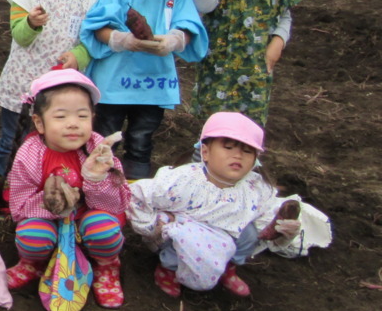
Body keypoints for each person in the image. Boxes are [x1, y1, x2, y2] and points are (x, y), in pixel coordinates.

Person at [80, 0, 208, 180]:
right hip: (114, 83)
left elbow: (188, 26)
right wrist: (121, 39)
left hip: (153, 83)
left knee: (142, 138)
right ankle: (96, 185)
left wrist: (175, 40)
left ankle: (134, 187)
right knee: (105, 136)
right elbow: (97, 27)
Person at [128, 111, 302, 298]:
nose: (238, 156)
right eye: (228, 147)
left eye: (247, 151)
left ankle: (229, 267)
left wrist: (280, 229)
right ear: (205, 152)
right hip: (186, 233)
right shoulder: (182, 181)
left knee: (250, 233)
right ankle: (169, 269)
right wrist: (151, 227)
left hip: (227, 236)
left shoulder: (256, 188)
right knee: (179, 234)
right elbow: (138, 196)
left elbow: (266, 214)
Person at [2, 70, 129, 307]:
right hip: (46, 219)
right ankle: (33, 263)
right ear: (39, 122)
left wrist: (95, 179)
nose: (73, 124)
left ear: (92, 118)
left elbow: (117, 205)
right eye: (60, 116)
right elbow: (19, 207)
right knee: (32, 236)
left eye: (82, 116)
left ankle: (106, 265)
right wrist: (53, 201)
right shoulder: (29, 154)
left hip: (88, 218)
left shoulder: (99, 151)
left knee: (104, 229)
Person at [0, 0, 97, 178]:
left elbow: (93, 38)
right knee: (13, 140)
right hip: (23, 82)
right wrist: (31, 23)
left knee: (55, 140)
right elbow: (19, 36)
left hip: (62, 87)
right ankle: (5, 187)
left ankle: (47, 184)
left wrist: (80, 55)